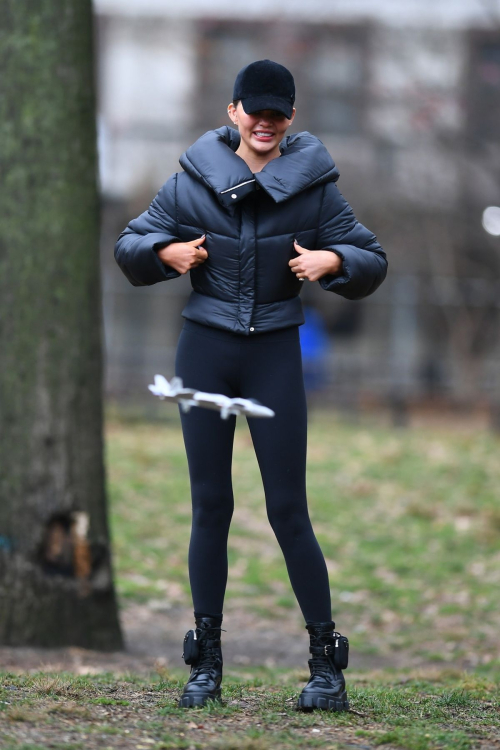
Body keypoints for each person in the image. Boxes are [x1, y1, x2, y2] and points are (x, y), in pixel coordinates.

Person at [114, 59, 387, 711]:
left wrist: (336, 259)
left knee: (288, 507)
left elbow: (372, 259)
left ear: (291, 119)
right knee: (211, 505)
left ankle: (327, 668)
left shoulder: (316, 189)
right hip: (204, 350)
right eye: (254, 110)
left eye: (278, 113)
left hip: (273, 353)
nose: (265, 123)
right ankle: (205, 664)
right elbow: (130, 244)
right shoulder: (190, 183)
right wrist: (163, 254)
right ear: (233, 111)